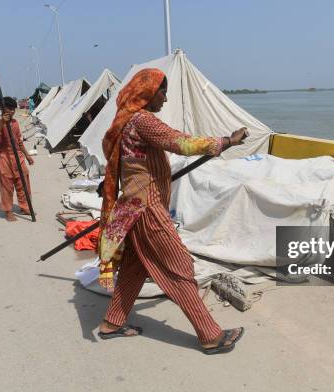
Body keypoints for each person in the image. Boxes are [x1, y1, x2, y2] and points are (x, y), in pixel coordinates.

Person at [97, 68, 247, 355]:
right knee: (180, 268)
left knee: (134, 268)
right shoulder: (143, 121)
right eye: (162, 92)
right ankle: (210, 336)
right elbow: (182, 143)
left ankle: (111, 323)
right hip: (147, 210)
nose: (165, 98)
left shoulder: (126, 122)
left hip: (131, 210)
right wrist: (226, 141)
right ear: (148, 94)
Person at [0, 97, 35, 222]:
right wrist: (2, 123)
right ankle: (8, 211)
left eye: (14, 109)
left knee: (23, 182)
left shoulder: (15, 123)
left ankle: (25, 207)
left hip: (18, 157)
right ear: (2, 109)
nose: (12, 112)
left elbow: (19, 141)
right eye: (9, 109)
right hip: (4, 157)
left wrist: (27, 155)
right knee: (7, 185)